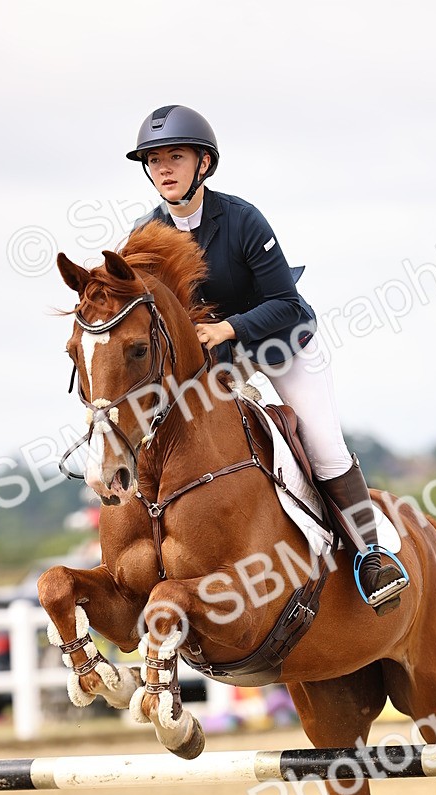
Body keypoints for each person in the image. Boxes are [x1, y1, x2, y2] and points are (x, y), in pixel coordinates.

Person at [126, 104, 409, 614]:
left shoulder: (241, 219)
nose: (163, 169)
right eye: (154, 160)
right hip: (218, 364)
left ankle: (372, 552)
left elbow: (286, 303)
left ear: (203, 165)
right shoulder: (145, 236)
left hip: (281, 343)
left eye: (175, 156)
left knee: (322, 444)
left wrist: (227, 327)